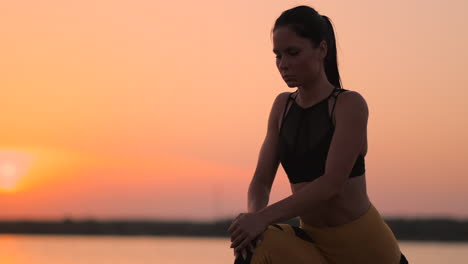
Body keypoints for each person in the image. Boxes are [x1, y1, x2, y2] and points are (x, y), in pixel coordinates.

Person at [227, 5, 409, 264]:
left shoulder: (349, 105)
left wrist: (263, 218)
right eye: (277, 55)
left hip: (366, 249)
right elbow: (261, 180)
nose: (283, 64)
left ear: (322, 49)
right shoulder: (282, 106)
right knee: (253, 248)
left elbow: (331, 184)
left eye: (292, 53)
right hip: (312, 246)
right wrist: (254, 222)